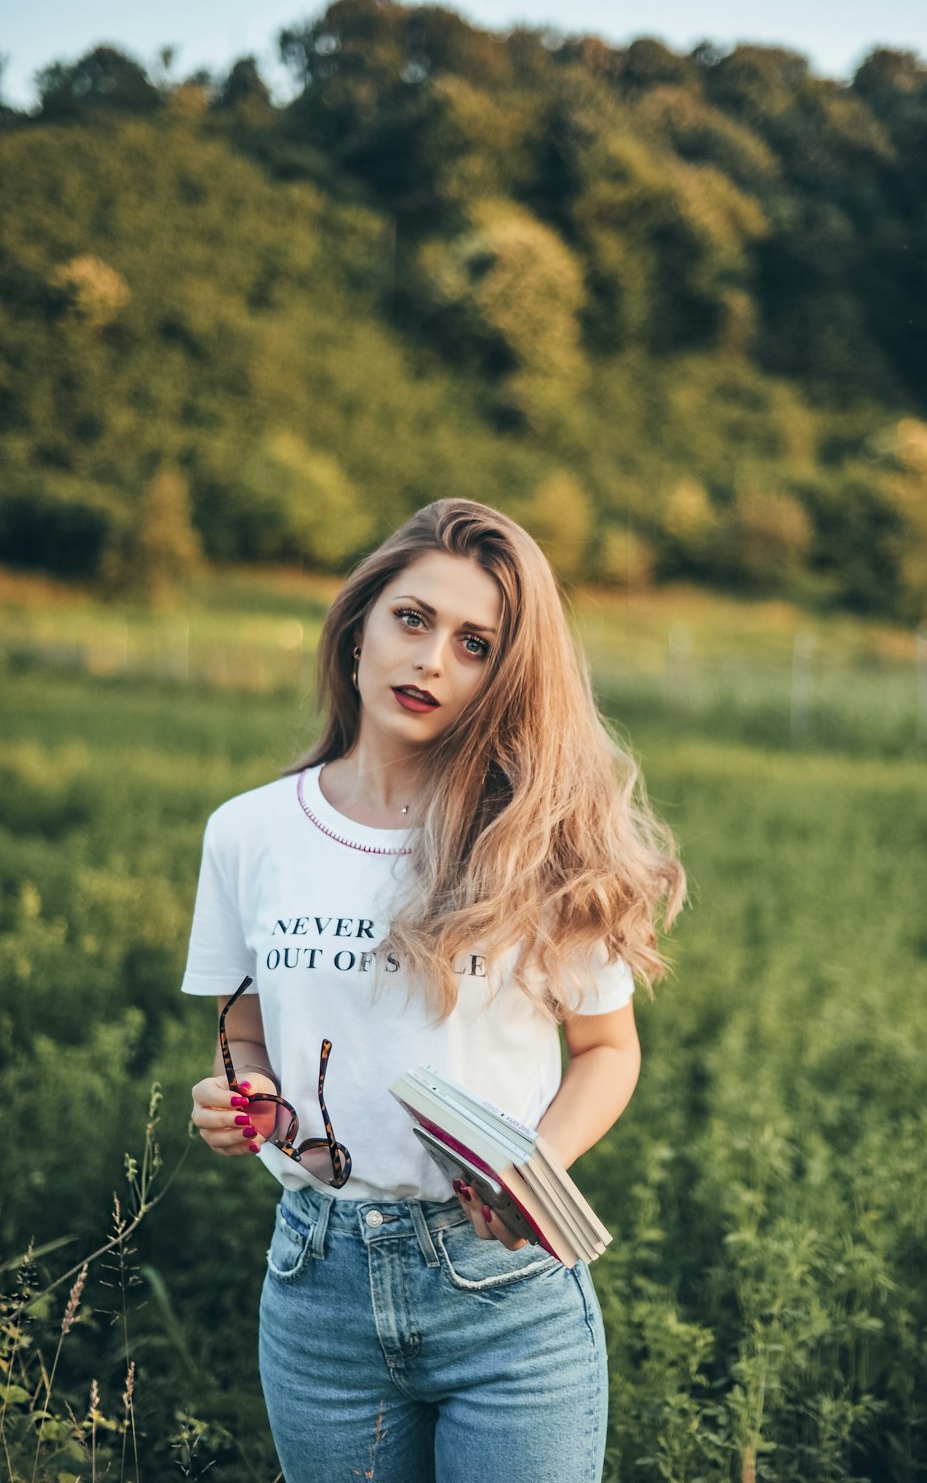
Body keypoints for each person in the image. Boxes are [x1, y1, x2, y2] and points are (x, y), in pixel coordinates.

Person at [184, 498, 685, 1483]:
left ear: (502, 675)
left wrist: (532, 1166)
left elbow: (607, 1048)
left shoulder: (532, 840)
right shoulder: (248, 833)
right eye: (412, 619)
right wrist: (237, 1097)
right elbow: (241, 1024)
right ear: (359, 622)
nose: (431, 661)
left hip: (503, 1287)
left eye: (474, 644)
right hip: (315, 1286)